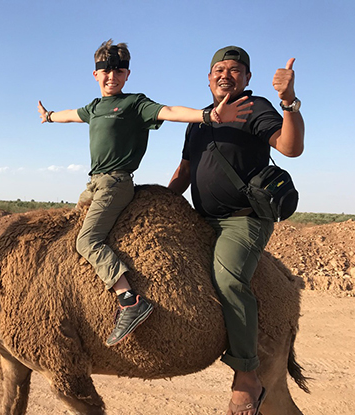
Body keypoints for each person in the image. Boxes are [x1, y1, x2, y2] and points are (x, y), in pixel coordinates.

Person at [38, 40, 253, 347]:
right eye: (105, 71)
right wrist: (49, 116)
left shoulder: (135, 104)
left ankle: (129, 300)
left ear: (127, 75)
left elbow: (170, 111)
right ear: (95, 75)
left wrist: (208, 117)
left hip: (116, 183)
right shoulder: (95, 108)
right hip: (94, 184)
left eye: (118, 71)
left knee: (88, 240)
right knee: (71, 231)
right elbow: (72, 115)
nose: (111, 76)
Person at [167, 46, 304, 415]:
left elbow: (290, 148)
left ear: (246, 78)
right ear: (208, 78)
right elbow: (184, 172)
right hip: (201, 219)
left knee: (228, 279)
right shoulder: (198, 120)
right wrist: (156, 198)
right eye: (218, 69)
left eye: (235, 69)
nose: (225, 74)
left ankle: (247, 374)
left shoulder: (254, 107)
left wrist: (289, 102)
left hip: (242, 221)